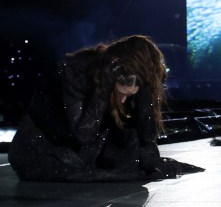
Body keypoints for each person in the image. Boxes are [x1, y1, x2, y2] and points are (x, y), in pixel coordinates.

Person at [8, 34, 202, 182]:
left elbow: (147, 135)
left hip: (82, 153)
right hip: (41, 153)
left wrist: (144, 94)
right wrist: (103, 89)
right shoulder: (73, 72)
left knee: (136, 159)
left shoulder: (129, 82)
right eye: (121, 93)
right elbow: (83, 135)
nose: (124, 100)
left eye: (130, 95)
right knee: (126, 173)